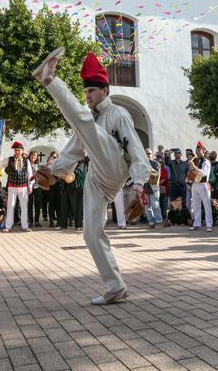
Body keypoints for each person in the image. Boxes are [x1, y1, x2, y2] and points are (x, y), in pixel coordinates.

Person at [33, 49, 150, 305]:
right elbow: (73, 150)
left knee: (84, 122)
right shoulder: (87, 120)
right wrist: (53, 173)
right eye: (85, 92)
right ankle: (116, 287)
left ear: (105, 91)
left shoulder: (118, 114)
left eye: (92, 91)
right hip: (97, 175)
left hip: (116, 165)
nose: (87, 96)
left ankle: (50, 79)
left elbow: (136, 150)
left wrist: (140, 184)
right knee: (90, 232)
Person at [4, 142, 32, 232]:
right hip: (12, 186)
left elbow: (30, 174)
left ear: (22, 151)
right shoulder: (9, 159)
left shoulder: (26, 161)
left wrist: (30, 186)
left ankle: (25, 226)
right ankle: (8, 226)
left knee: (24, 206)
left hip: (23, 186)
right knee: (10, 206)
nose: (17, 152)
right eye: (16, 150)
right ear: (14, 151)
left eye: (19, 150)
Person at [189, 141, 213, 232]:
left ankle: (209, 224)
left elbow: (204, 173)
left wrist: (194, 167)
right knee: (195, 205)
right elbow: (193, 173)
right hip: (195, 184)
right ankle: (196, 224)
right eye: (196, 150)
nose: (197, 152)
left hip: (203, 184)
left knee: (206, 205)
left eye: (199, 150)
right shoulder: (196, 160)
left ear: (203, 151)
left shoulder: (206, 162)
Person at [144, 149, 163, 229]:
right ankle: (151, 222)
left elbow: (157, 174)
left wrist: (150, 170)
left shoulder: (155, 163)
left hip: (154, 187)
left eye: (149, 153)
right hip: (145, 187)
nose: (148, 155)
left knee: (155, 205)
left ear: (151, 154)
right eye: (146, 153)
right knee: (147, 206)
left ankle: (158, 221)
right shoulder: (142, 163)